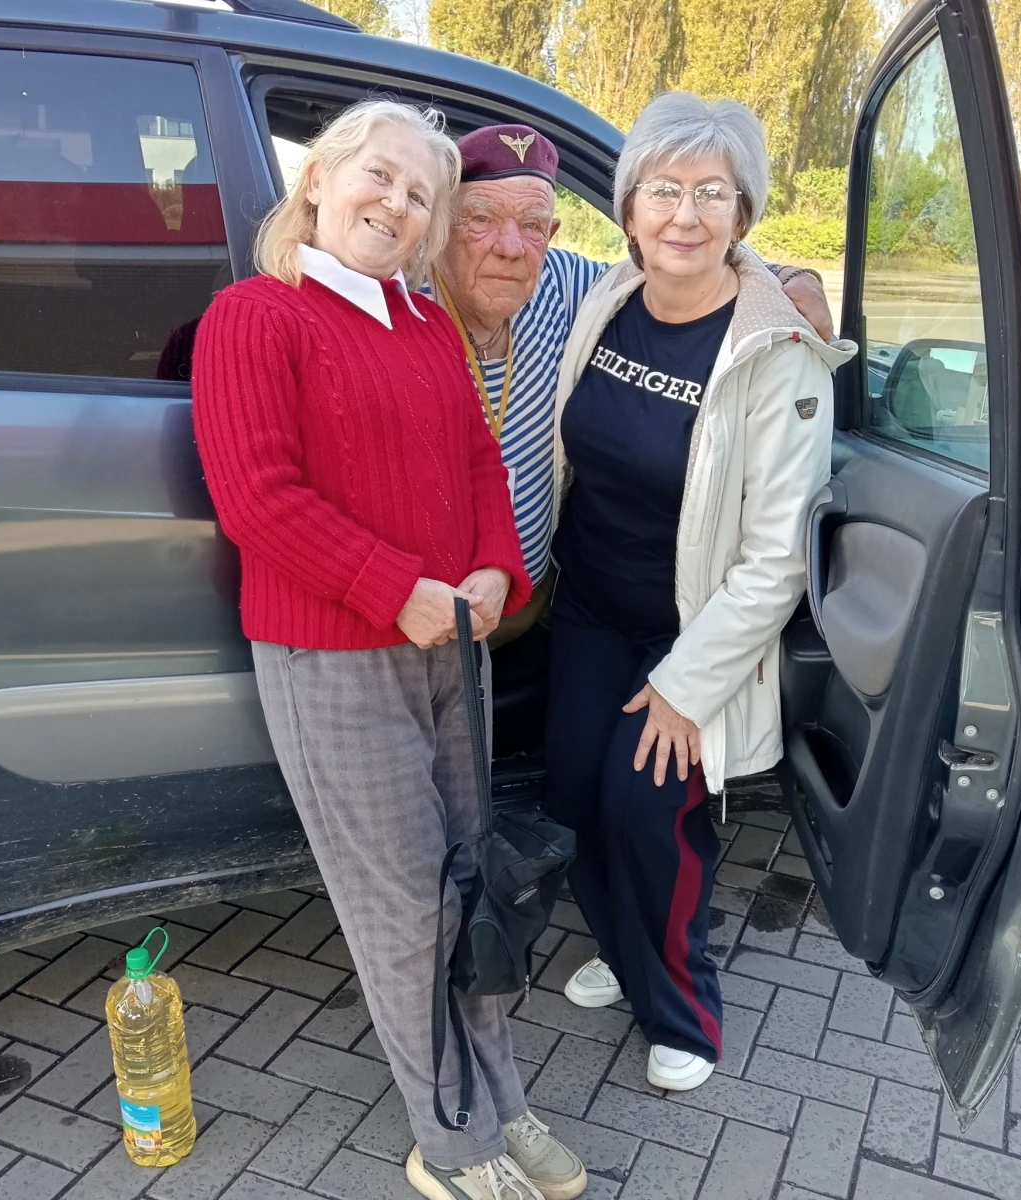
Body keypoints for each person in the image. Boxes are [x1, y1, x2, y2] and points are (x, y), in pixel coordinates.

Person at [192, 99, 586, 1200]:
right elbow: (258, 499)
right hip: (335, 657)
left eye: (421, 193)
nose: (398, 203)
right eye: (379, 175)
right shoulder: (253, 317)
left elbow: (479, 466)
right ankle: (450, 1140)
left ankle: (500, 1097)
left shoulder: (423, 326)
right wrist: (394, 591)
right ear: (319, 179)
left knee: (473, 888)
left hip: (453, 647)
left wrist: (495, 569)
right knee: (407, 912)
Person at [545, 93, 857, 1092]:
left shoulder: (778, 354)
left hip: (692, 630)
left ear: (742, 214)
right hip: (590, 607)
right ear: (629, 209)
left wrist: (687, 687)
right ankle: (623, 949)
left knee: (647, 811)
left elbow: (777, 557)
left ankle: (682, 1007)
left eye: (712, 193)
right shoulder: (604, 299)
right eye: (664, 190)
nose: (685, 214)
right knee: (574, 794)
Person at [424, 124, 836, 647]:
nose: (510, 247)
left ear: (551, 235)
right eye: (481, 219)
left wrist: (789, 275)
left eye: (531, 224)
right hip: (423, 626)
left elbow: (677, 259)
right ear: (441, 224)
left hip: (530, 614)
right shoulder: (395, 303)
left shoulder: (564, 285)